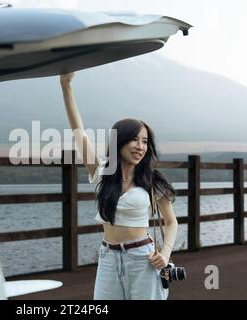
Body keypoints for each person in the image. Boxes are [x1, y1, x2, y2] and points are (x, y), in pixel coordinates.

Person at [60, 72, 178, 300]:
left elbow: (171, 222)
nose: (140, 147)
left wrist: (165, 252)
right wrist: (66, 85)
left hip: (143, 259)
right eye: (134, 139)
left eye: (144, 141)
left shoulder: (153, 180)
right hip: (108, 258)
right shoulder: (102, 171)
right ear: (119, 141)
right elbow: (79, 132)